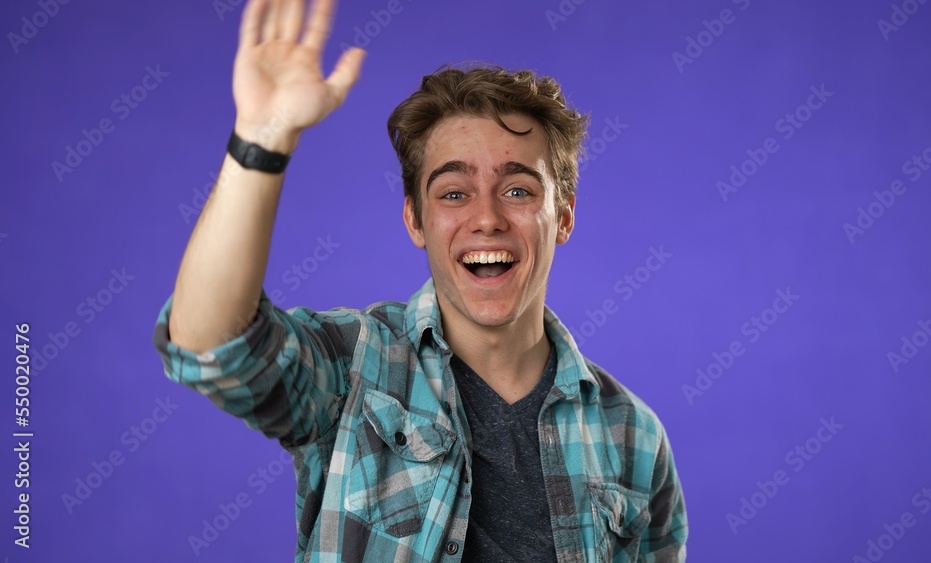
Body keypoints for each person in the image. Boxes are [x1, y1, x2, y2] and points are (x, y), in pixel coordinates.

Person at [152, 0, 688, 560]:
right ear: (415, 220)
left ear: (565, 217)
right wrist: (260, 140)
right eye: (454, 193)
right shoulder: (355, 368)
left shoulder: (635, 435)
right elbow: (211, 345)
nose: (487, 218)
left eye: (518, 190)